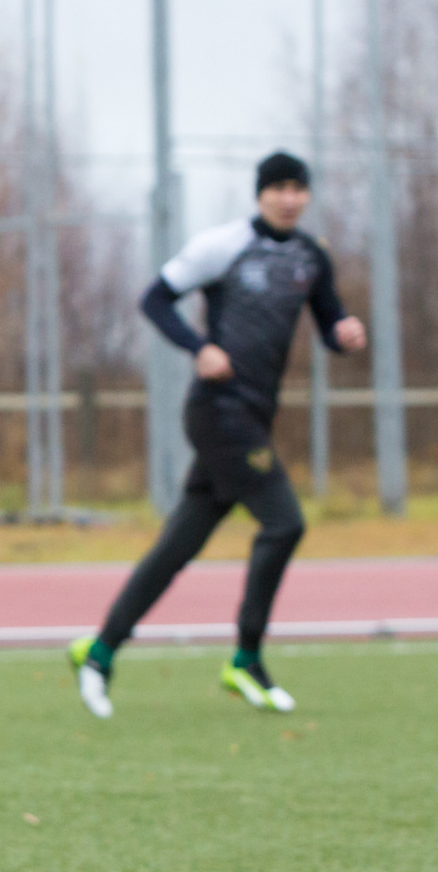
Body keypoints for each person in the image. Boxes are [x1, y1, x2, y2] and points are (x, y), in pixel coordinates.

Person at [69, 151, 367, 719]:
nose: (288, 197)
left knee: (178, 545)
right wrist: (198, 347)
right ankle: (246, 659)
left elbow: (329, 320)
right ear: (260, 194)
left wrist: (343, 333)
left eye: (297, 188)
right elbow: (154, 299)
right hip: (218, 414)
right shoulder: (223, 245)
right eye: (278, 187)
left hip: (255, 416)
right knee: (284, 523)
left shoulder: (311, 256)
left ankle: (100, 651)